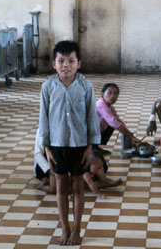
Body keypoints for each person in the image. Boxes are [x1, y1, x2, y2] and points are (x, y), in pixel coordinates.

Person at [37, 40, 100, 246]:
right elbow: (43, 119)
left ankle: (77, 230)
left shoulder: (86, 87)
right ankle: (65, 228)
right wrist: (46, 147)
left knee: (78, 188)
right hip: (56, 145)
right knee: (61, 188)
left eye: (71, 61)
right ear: (54, 64)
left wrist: (90, 147)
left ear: (79, 63)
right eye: (61, 61)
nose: (66, 65)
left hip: (80, 145)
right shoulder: (48, 87)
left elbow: (92, 117)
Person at [96, 83, 141, 153]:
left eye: (115, 93)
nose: (112, 96)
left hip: (93, 132)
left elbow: (118, 121)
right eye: (109, 93)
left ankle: (95, 147)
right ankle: (91, 148)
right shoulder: (100, 105)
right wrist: (131, 137)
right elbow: (113, 122)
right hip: (84, 135)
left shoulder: (110, 107)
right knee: (113, 124)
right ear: (102, 94)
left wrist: (131, 136)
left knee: (116, 124)